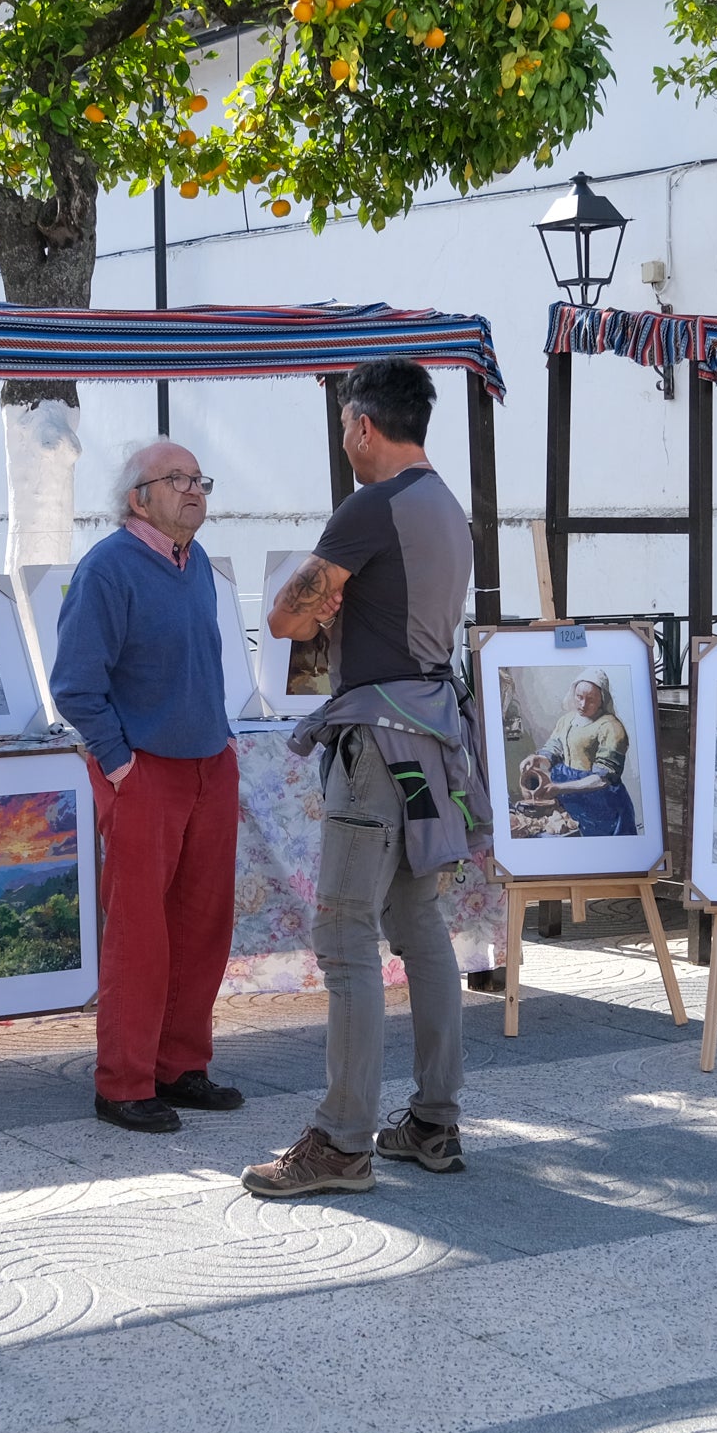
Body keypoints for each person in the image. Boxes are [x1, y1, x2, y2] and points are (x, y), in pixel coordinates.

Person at [243, 358, 489, 1197]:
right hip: (429, 737)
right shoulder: (446, 507)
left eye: (346, 424)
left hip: (376, 741)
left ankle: (342, 1140)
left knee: (345, 934)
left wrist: (320, 600)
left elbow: (284, 616)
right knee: (417, 926)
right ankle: (432, 1119)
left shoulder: (371, 505)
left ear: (361, 425)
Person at [50, 438, 248, 1134]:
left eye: (200, 479)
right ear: (138, 497)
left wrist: (220, 737)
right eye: (177, 479)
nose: (194, 490)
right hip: (146, 771)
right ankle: (124, 1083)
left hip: (207, 765)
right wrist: (119, 762)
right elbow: (75, 683)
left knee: (202, 927)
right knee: (141, 934)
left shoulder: (192, 567)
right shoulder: (107, 569)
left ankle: (179, 1066)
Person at [524, 667, 636, 836]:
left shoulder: (611, 727)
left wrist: (559, 788)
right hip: (569, 798)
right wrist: (537, 759)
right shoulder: (567, 720)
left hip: (599, 800)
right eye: (579, 697)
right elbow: (554, 750)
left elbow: (603, 779)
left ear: (602, 700)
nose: (583, 704)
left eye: (590, 699)